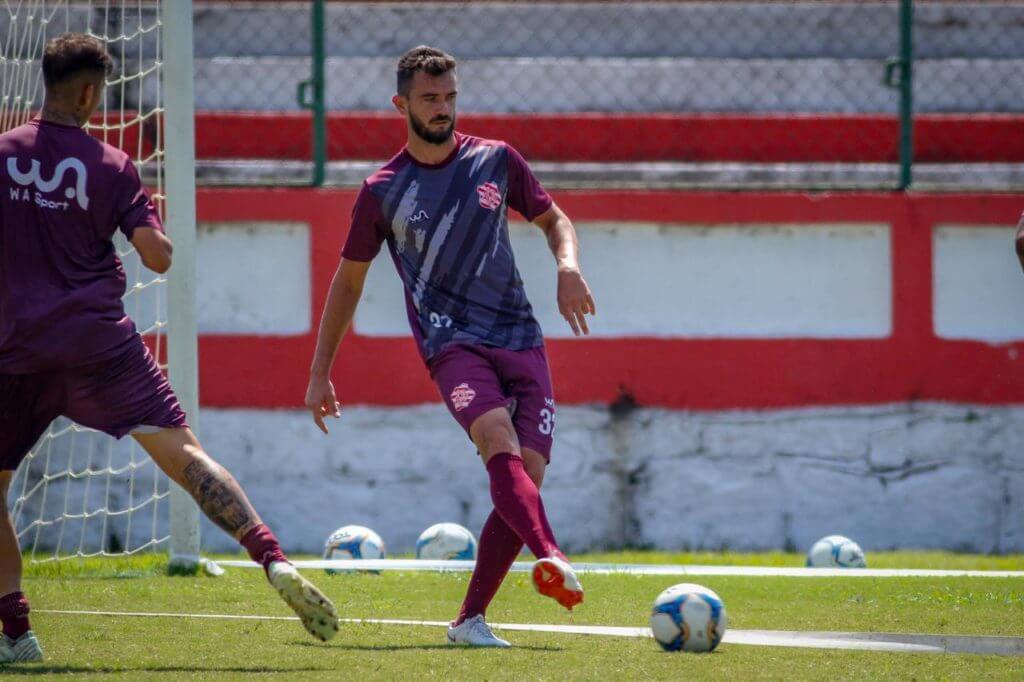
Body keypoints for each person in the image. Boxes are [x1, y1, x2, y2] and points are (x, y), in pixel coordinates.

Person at [0, 33, 339, 663]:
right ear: (90, 94)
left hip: (16, 348)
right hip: (100, 345)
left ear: (46, 83)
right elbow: (158, 258)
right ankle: (271, 557)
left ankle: (17, 633)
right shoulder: (111, 164)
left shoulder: (2, 154)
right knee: (184, 456)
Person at [305, 45, 596, 648]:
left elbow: (554, 220)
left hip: (520, 335)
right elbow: (348, 282)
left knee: (528, 474)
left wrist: (567, 266)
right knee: (496, 439)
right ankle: (551, 553)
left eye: (450, 97)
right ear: (402, 104)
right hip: (452, 343)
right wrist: (319, 372)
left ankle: (468, 621)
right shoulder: (383, 190)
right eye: (430, 98)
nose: (443, 108)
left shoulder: (496, 159)